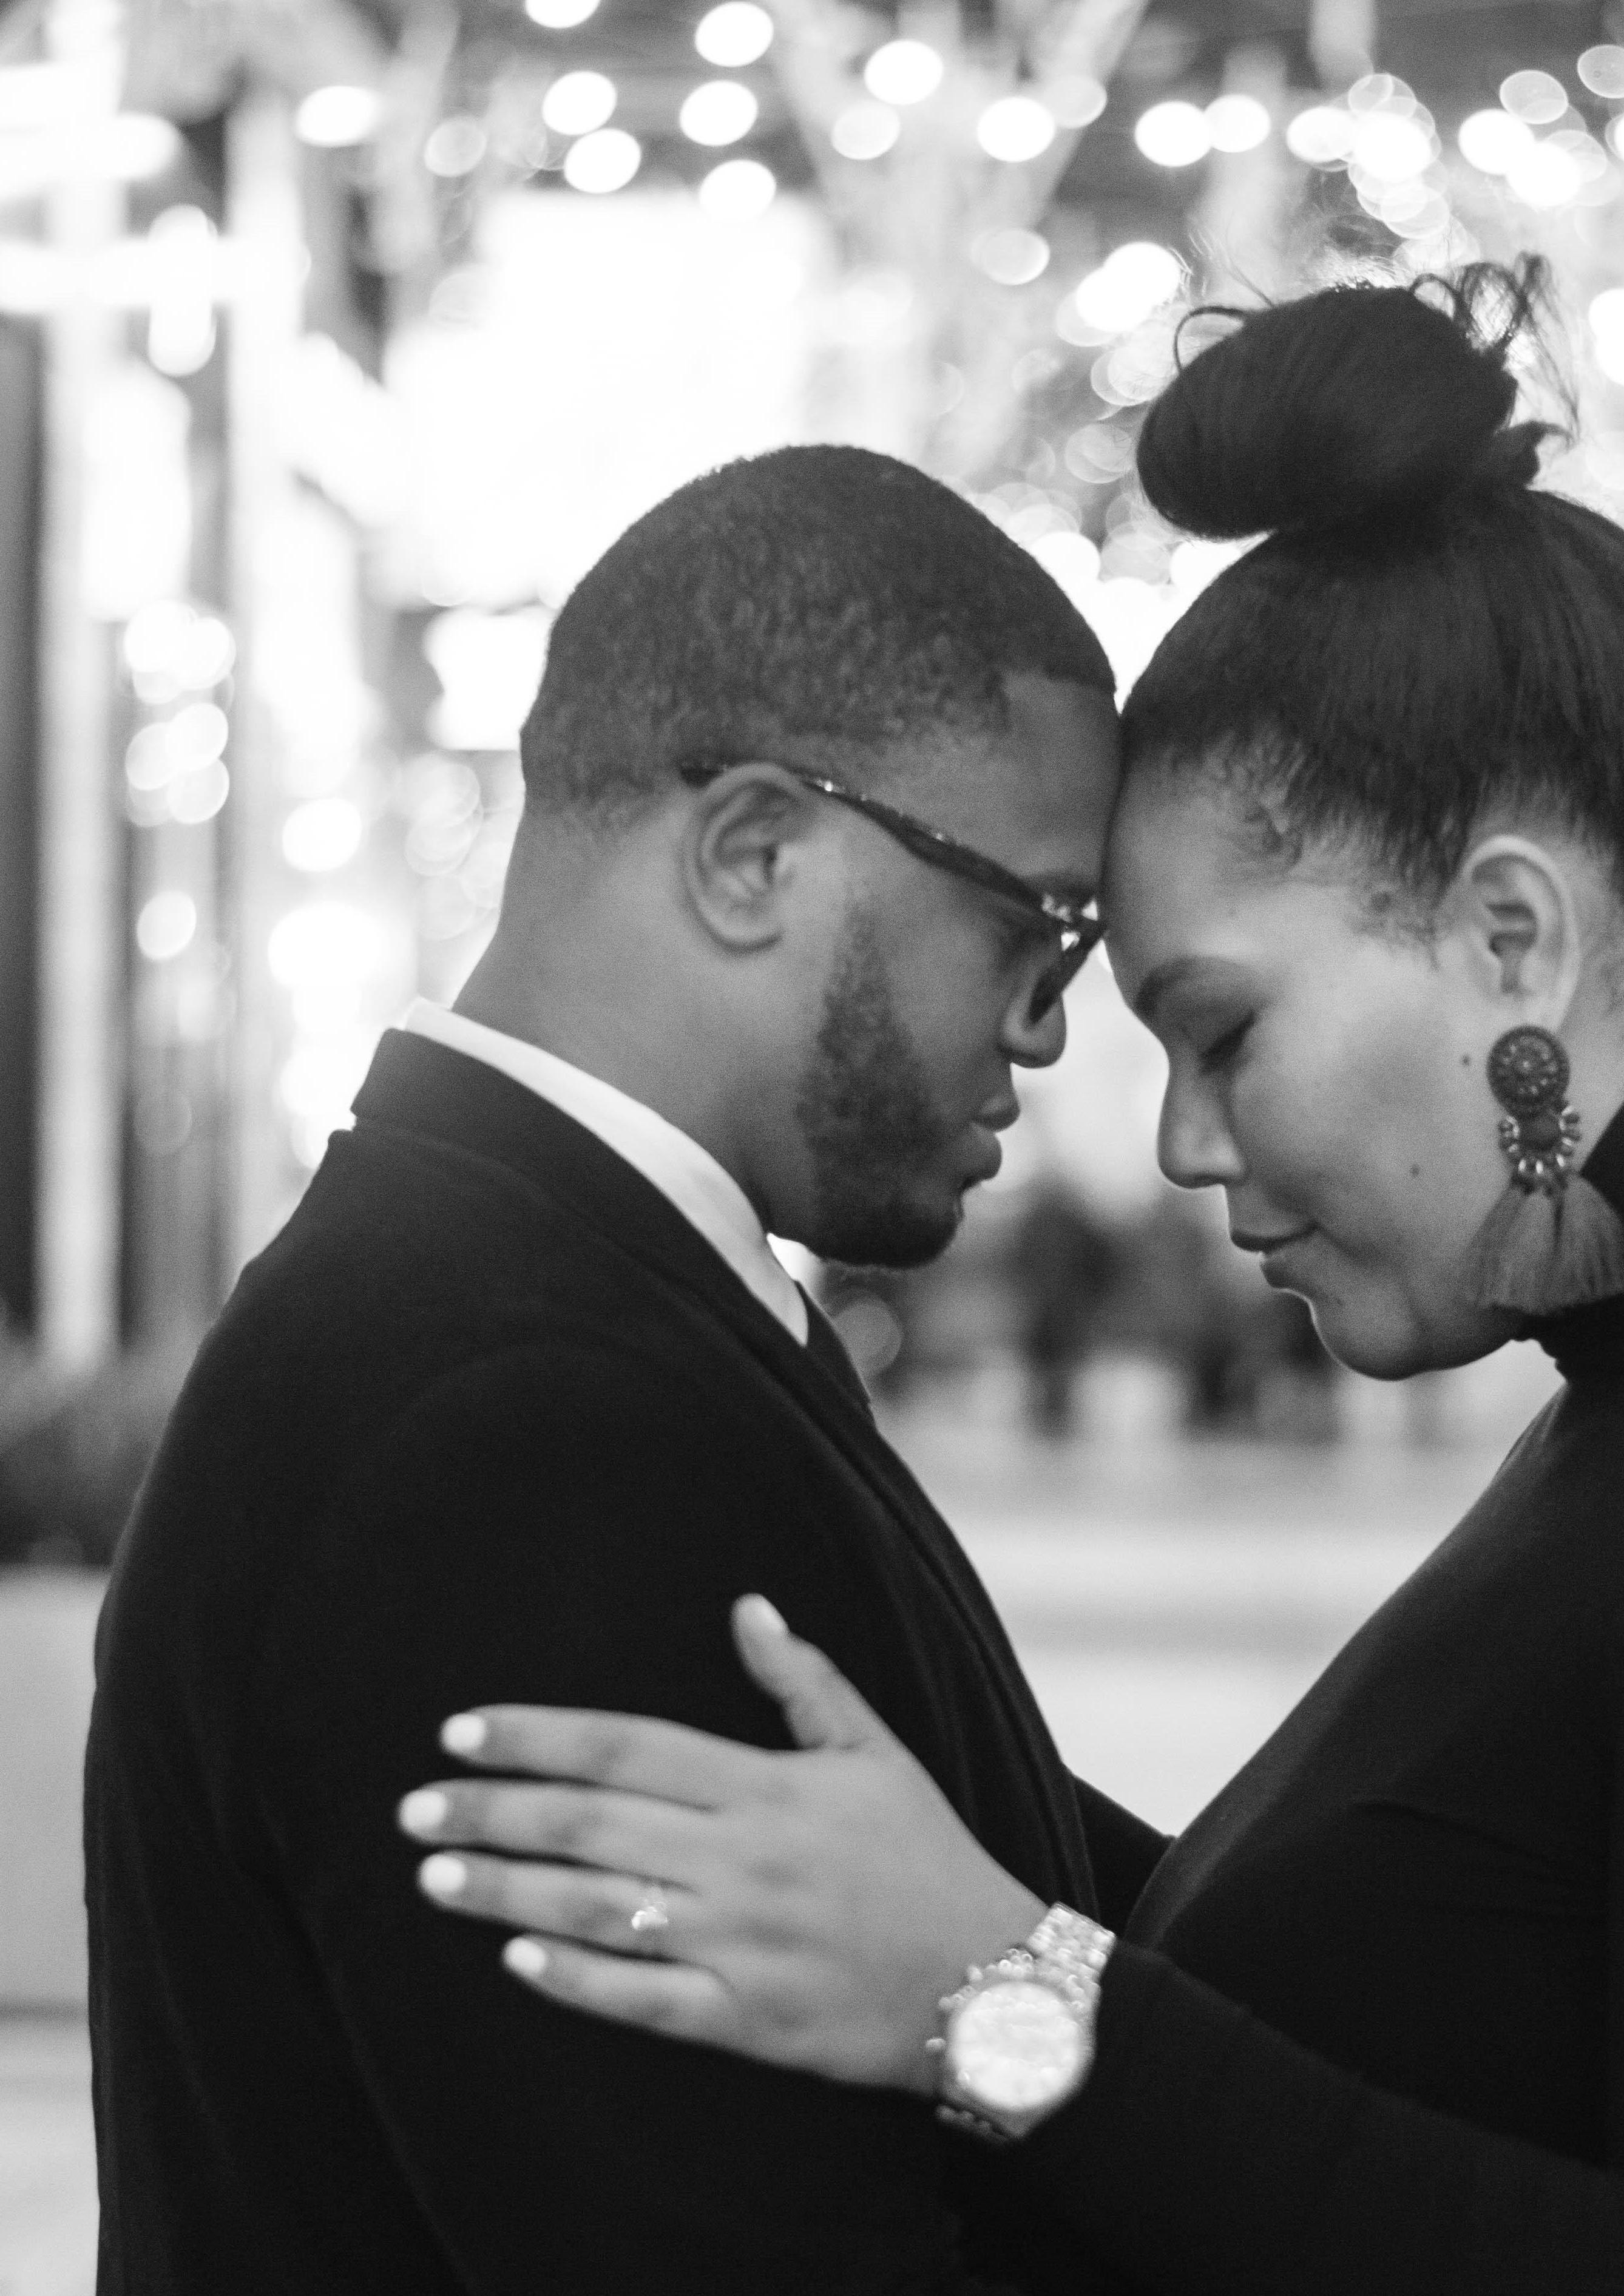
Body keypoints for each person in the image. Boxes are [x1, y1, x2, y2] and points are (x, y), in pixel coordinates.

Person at [399, 266, 1624, 2292]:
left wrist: (1001, 2006)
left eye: (1222, 1032)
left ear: (1508, 940)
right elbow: (1420, 2007)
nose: (1184, 1145)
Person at [81, 445, 1155, 2294]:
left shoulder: (560, 1300)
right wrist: (1039, 2003)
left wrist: (1041, 1985)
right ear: (753, 852)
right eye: (1033, 925)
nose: (1051, 1029)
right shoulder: (510, 1415)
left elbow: (1015, 1886)